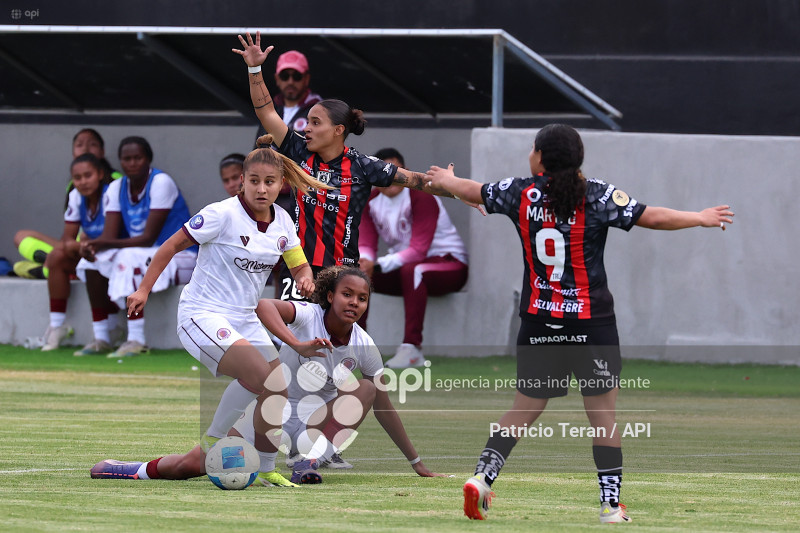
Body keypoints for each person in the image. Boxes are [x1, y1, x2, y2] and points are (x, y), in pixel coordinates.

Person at [425, 124, 734, 522]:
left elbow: (474, 191)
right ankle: (609, 506)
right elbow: (652, 218)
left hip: (539, 321)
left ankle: (483, 478)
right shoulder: (598, 195)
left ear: (538, 156)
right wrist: (700, 216)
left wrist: (447, 179)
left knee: (523, 409)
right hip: (592, 325)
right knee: (602, 417)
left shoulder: (521, 192)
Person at [91, 140, 330, 487]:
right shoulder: (221, 213)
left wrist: (306, 279)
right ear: (241, 182)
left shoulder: (283, 222)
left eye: (269, 182)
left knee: (275, 387)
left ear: (282, 185)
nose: (261, 189)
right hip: (202, 315)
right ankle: (216, 442)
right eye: (254, 181)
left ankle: (263, 469)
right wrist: (143, 289)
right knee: (259, 374)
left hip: (245, 317)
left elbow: (300, 266)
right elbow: (170, 246)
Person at [89, 266, 442, 485]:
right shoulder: (306, 315)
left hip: (310, 431)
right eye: (347, 294)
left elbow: (384, 407)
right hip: (266, 418)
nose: (354, 302)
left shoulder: (364, 346)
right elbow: (263, 306)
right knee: (194, 465)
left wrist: (417, 463)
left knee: (366, 388)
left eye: (362, 298)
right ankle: (127, 469)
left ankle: (308, 461)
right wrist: (295, 342)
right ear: (330, 296)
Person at [232, 32, 465, 304]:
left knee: (336, 343)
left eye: (316, 123)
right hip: (297, 266)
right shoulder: (297, 150)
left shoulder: (363, 166)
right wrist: (254, 68)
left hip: (342, 272)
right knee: (293, 333)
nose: (307, 128)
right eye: (307, 121)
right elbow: (266, 112)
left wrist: (463, 192)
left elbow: (418, 181)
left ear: (338, 130)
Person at [76, 136, 197, 358]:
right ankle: (102, 336)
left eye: (137, 158)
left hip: (181, 257)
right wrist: (92, 248)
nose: (132, 163)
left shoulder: (161, 182)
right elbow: (110, 236)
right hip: (147, 255)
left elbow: (148, 238)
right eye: (126, 159)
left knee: (129, 255)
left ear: (148, 159)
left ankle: (136, 339)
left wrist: (100, 242)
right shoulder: (116, 187)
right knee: (90, 261)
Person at [358, 148, 469, 368]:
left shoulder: (421, 194)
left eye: (394, 171)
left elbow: (418, 250)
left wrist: (377, 265)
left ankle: (412, 349)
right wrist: (365, 263)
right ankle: (356, 345)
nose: (389, 177)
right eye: (382, 172)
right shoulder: (369, 201)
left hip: (448, 265)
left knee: (414, 269)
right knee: (357, 277)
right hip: (404, 269)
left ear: (405, 172)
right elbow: (366, 243)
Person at [12, 128, 120, 283]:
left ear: (102, 153)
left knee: (22, 266)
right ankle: (51, 264)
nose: (86, 148)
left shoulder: (115, 181)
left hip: (101, 245)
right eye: (79, 144)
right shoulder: (73, 187)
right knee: (21, 236)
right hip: (76, 246)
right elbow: (69, 234)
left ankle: (49, 270)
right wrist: (67, 247)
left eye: (92, 144)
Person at [47, 154, 122, 356]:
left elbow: (113, 236)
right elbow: (67, 240)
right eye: (77, 178)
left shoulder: (112, 193)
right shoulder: (75, 196)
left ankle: (108, 331)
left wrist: (84, 247)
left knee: (95, 263)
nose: (82, 182)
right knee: (56, 257)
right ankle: (56, 326)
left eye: (87, 175)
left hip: (119, 251)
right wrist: (80, 248)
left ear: (99, 174)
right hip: (93, 252)